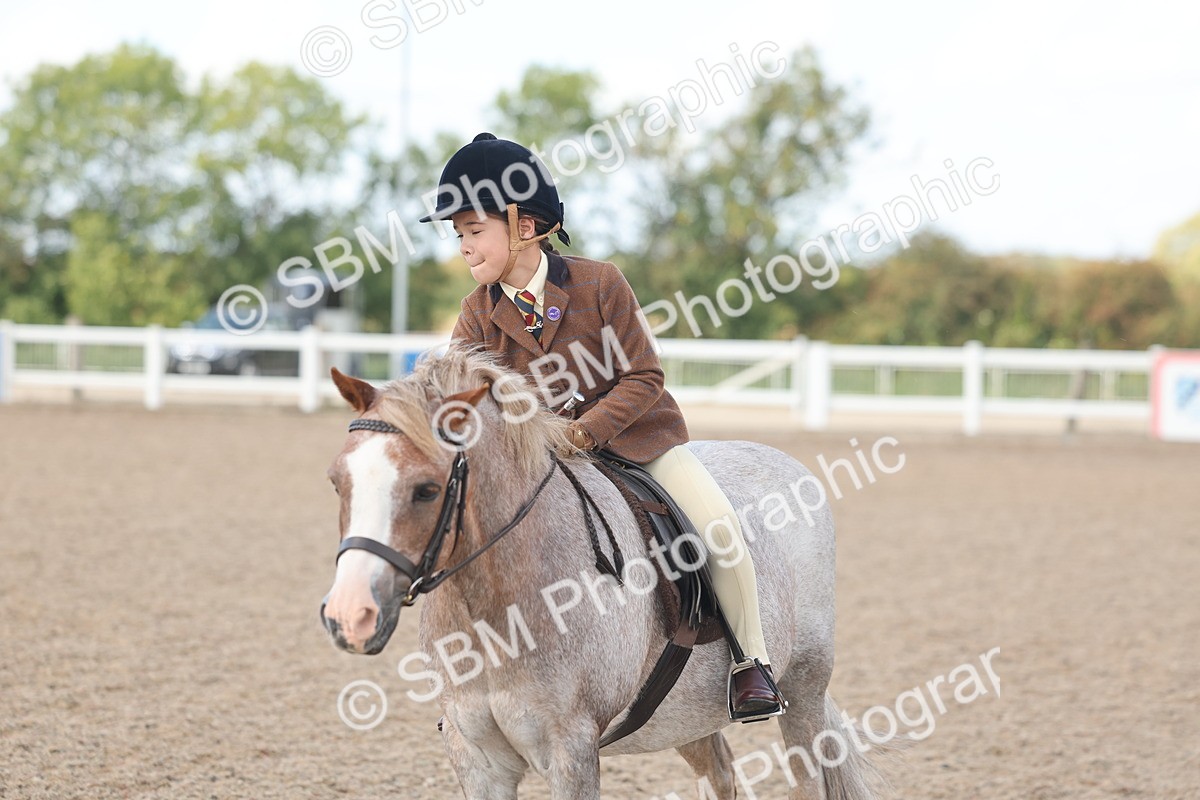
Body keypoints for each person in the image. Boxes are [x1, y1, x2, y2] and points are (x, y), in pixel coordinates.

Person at [420, 132, 785, 721]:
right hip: (544, 465)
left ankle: (751, 664)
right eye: (457, 233)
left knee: (718, 528)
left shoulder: (600, 283)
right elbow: (463, 398)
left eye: (473, 230)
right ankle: (478, 689)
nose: (462, 245)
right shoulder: (476, 312)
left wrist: (585, 431)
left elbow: (645, 376)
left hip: (638, 443)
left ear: (524, 226)